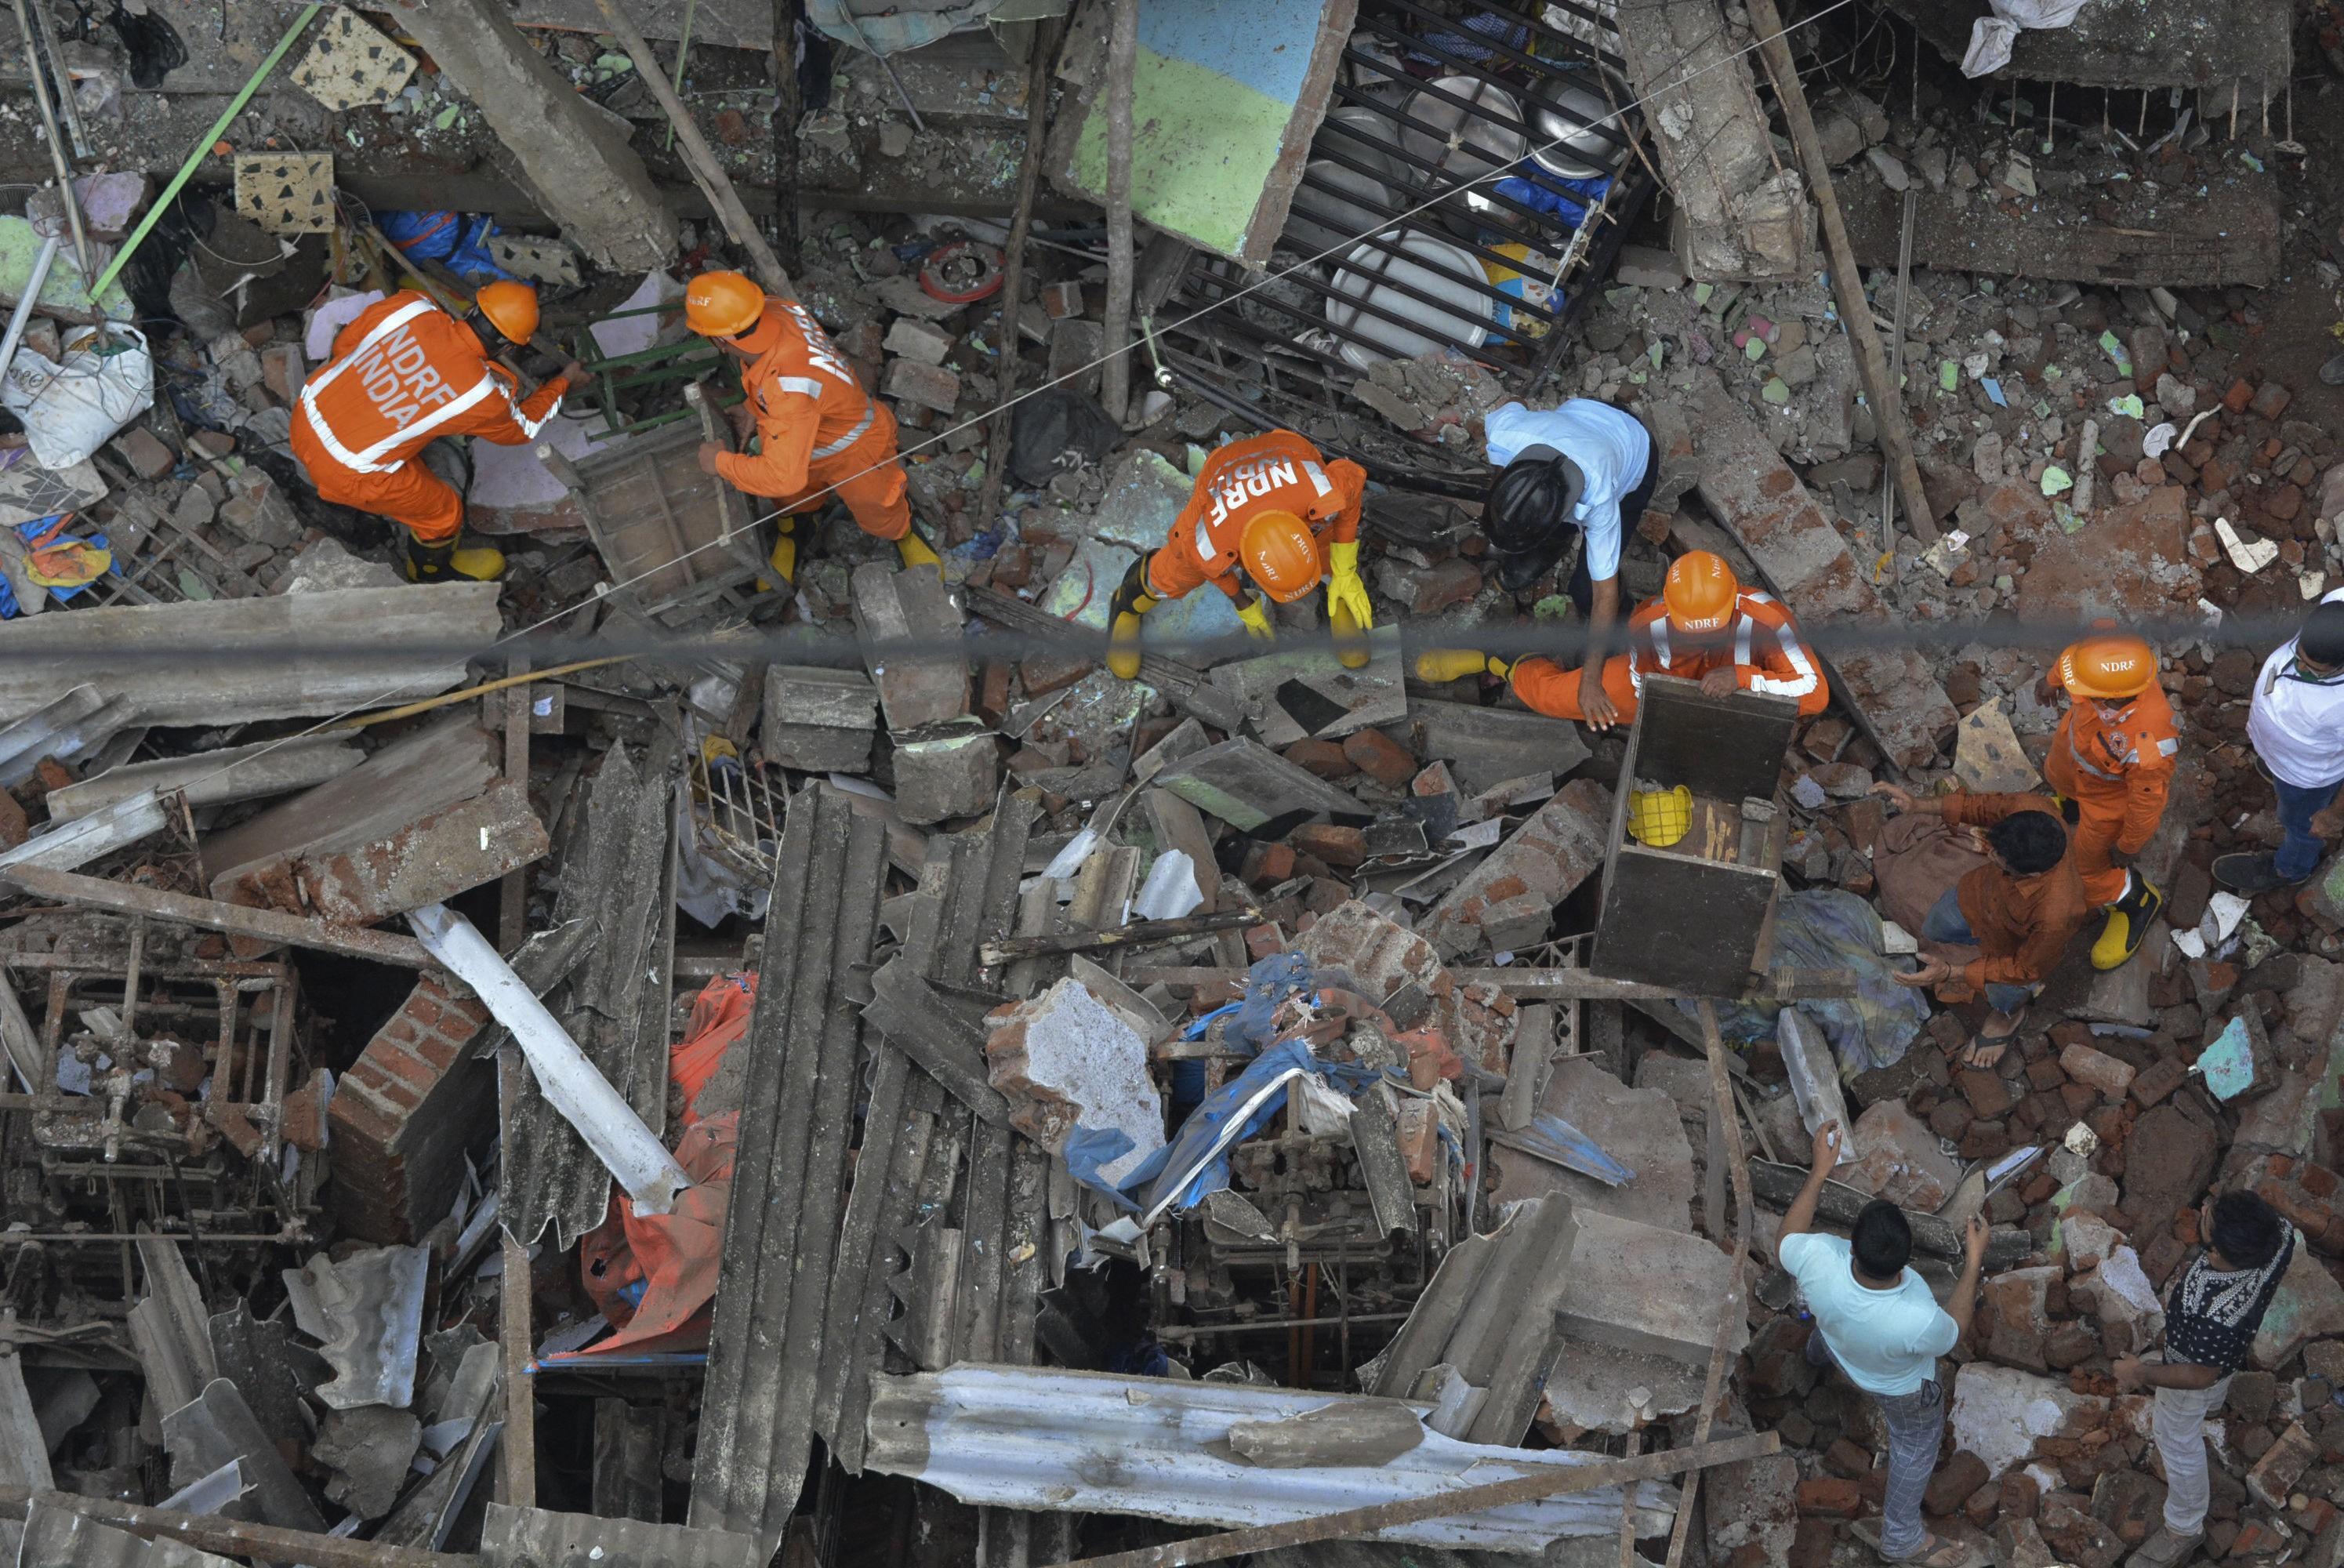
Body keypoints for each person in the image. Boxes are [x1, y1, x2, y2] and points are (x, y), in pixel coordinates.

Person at [1779, 1119, 1988, 1568]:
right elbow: (1955, 1334)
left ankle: (1811, 1361)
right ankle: (1900, 1539)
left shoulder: (1817, 1258)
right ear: (1906, 1259)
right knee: (1914, 1448)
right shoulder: (1918, 1320)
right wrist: (1973, 1264)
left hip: (1838, 1345)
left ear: (1851, 1249)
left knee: (1825, 1336)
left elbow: (1787, 1238)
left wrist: (1818, 1172)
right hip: (1899, 1390)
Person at [292, 281, 581, 582]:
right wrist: (564, 382)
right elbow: (523, 429)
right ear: (508, 347)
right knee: (445, 511)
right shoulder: (483, 394)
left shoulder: (411, 306)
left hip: (305, 414)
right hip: (348, 473)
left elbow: (345, 346)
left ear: (473, 307)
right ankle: (431, 571)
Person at [681, 269, 938, 583]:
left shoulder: (787, 389)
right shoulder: (776, 309)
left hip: (855, 448)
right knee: (793, 500)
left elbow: (781, 477)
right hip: (806, 434)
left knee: (878, 505)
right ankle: (797, 528)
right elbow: (776, 374)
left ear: (719, 339)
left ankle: (903, 533)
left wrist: (719, 463)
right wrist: (753, 408)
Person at [1415, 550, 1827, 726]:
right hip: (1665, 691)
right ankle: (1496, 662)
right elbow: (1641, 678)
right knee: (1552, 698)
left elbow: (1814, 693)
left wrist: (1741, 677)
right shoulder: (1648, 621)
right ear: (1669, 607)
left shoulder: (1768, 618)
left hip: (1739, 700)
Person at [2114, 1191, 2296, 1568]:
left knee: (2175, 1440)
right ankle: (2214, 1406)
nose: (2201, 1211)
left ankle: (2184, 1526)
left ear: (2216, 1256)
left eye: (2205, 1224)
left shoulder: (2217, 1314)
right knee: (2216, 1382)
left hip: (2196, 1372)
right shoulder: (2278, 1238)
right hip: (2226, 1358)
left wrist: (2140, 1373)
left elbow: (2198, 1373)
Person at [1105, 429, 1372, 679]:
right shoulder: (1206, 543)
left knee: (1327, 540)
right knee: (1171, 574)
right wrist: (1243, 604)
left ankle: (1337, 590)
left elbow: (1352, 485)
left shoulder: (1324, 491)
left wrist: (1345, 570)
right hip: (1219, 472)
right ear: (1246, 566)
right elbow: (1215, 571)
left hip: (1284, 449)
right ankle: (1124, 607)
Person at [1870, 783, 2086, 1069]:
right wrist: (1917, 805)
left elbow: (2023, 968)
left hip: (2015, 948)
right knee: (1935, 927)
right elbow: (1983, 806)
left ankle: (2007, 1016)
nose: (1986, 852)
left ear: (2030, 874)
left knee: (2006, 989)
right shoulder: (2034, 808)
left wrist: (1952, 972)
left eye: (1996, 855)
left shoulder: (2057, 913)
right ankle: (1979, 959)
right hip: (1977, 895)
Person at [1478, 398, 1658, 730]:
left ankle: (1621, 630)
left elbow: (1605, 595)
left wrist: (1590, 679)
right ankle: (1547, 545)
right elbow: (1510, 405)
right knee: (1528, 556)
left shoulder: (1600, 498)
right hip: (1585, 411)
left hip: (1633, 448)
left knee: (1586, 592)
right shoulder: (1506, 432)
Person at [2038, 631, 2175, 968]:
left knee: (2089, 867)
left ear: (2113, 701)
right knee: (2058, 777)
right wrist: (2051, 679)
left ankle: (2135, 899)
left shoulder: (2148, 747)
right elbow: (2074, 658)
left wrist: (2128, 845)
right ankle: (2070, 806)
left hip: (2107, 801)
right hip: (2075, 767)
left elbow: (2146, 804)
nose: (2074, 692)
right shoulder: (2102, 663)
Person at [2219, 591, 2344, 896]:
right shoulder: (2336, 605)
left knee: (2300, 824)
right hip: (2279, 755)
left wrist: (2334, 815)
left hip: (2306, 779)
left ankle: (2291, 869)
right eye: (2298, 655)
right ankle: (2274, 767)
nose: (2299, 668)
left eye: (2314, 670)